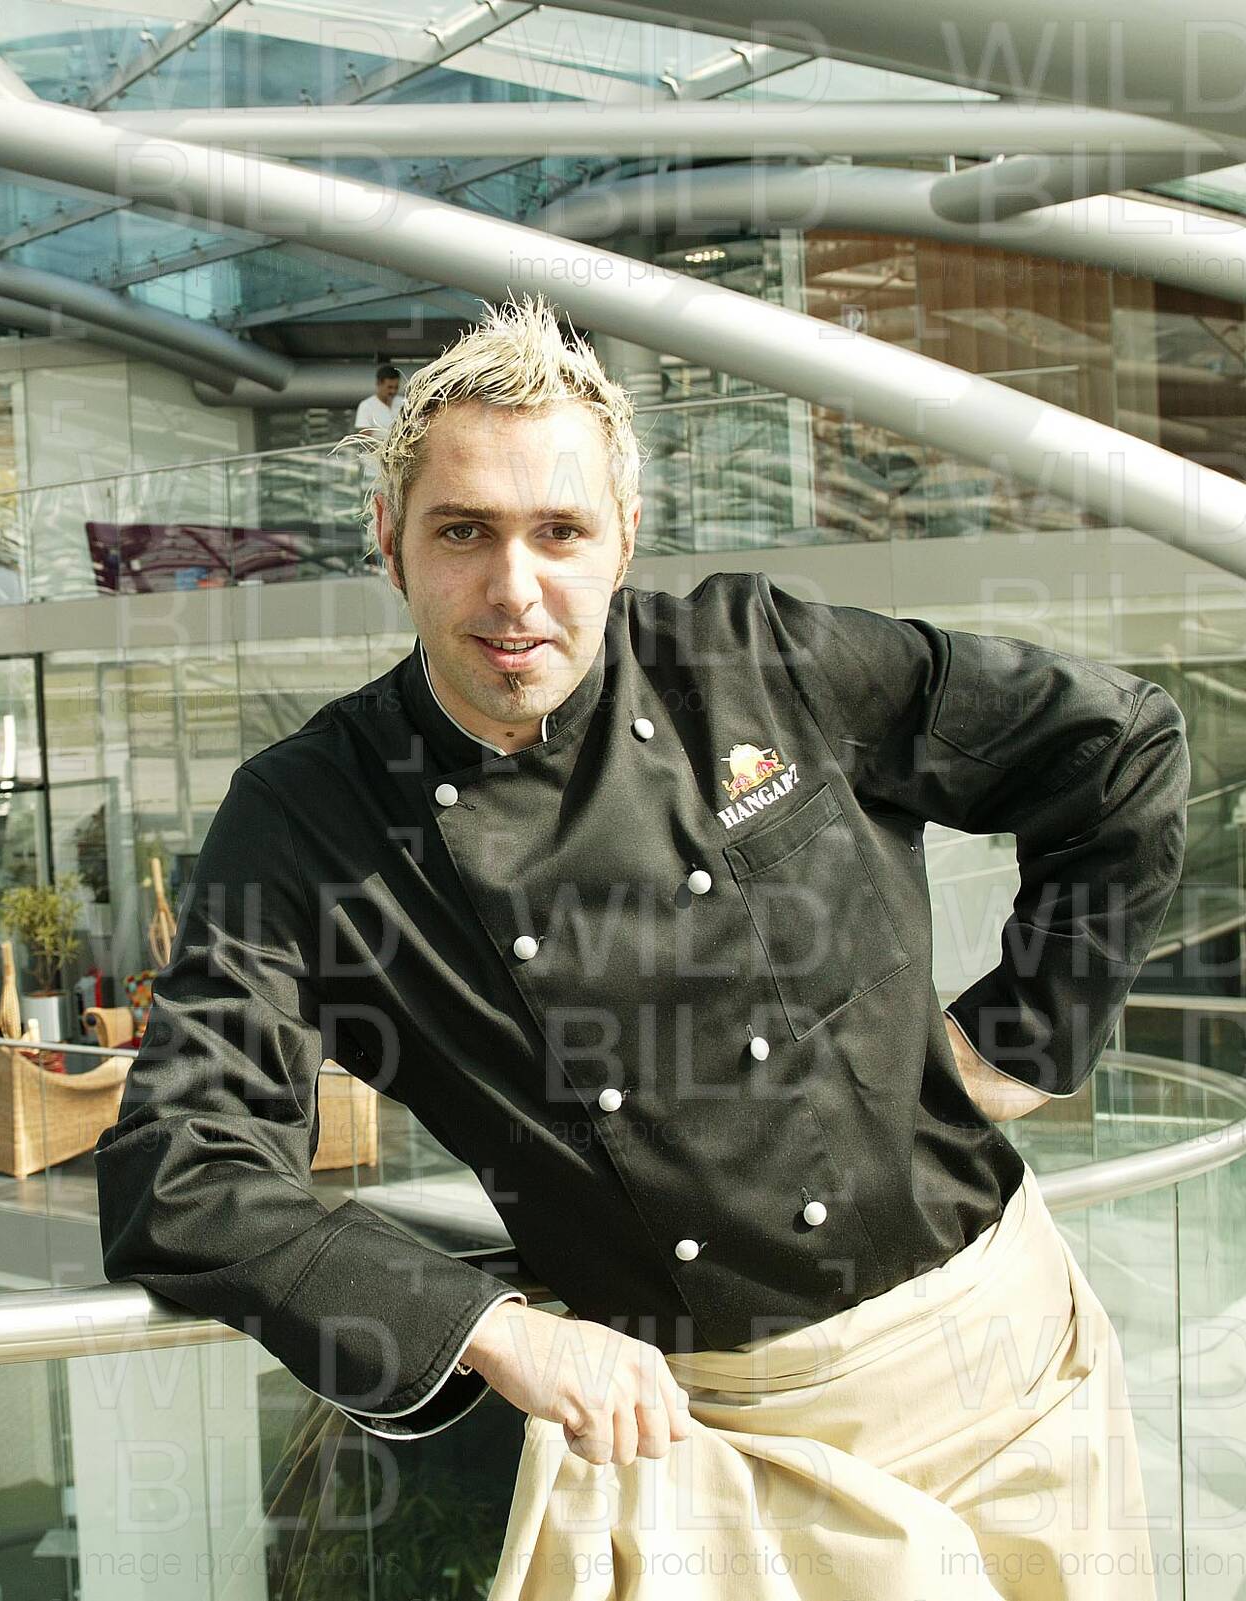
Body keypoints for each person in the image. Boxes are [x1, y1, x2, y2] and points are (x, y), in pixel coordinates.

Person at [92, 292, 1187, 1597]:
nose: (515, 588)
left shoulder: (759, 659)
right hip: (705, 1439)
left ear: (625, 536)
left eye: (559, 531)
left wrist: (1023, 1039)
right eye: (464, 531)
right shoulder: (311, 815)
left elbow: (1116, 750)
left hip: (1002, 1368)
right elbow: (180, 1167)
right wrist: (489, 1326)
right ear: (390, 541)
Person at [355, 363, 402, 435]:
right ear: (378, 384)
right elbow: (364, 435)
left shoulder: (405, 403)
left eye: (396, 387)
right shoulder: (366, 406)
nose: (393, 391)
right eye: (389, 387)